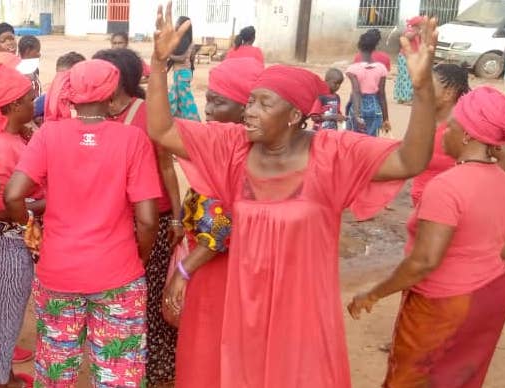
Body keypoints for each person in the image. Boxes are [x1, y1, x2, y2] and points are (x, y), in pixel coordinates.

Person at [148, 5, 437, 387]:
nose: (249, 111)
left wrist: (422, 90)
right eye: (250, 101)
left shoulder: (334, 153)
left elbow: (410, 160)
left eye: (263, 104)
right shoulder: (233, 147)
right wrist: (157, 62)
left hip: (303, 312)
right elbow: (162, 130)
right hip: (246, 309)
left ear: (295, 115)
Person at [349, 87, 505, 387]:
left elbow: (424, 261)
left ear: (467, 135)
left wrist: (374, 293)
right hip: (491, 297)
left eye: (451, 125)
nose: (444, 132)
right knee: (462, 378)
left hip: (444, 303)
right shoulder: (504, 184)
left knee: (412, 379)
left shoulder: (447, 187)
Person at [4, 59, 161, 387]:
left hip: (58, 269)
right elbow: (147, 220)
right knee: (119, 369)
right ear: (114, 93)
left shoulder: (49, 134)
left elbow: (14, 195)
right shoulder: (132, 140)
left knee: (57, 368)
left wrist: (30, 228)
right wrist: (138, 258)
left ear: (72, 94)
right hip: (118, 270)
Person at [163, 57, 263, 388]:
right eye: (208, 99)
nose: (208, 109)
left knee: (209, 349)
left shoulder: (238, 154)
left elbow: (221, 227)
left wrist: (184, 270)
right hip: (232, 271)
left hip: (217, 275)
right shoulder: (240, 149)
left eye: (218, 102)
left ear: (247, 108)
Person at [92, 47, 183, 386]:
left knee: (149, 298)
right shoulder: (93, 113)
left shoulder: (146, 114)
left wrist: (176, 217)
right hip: (110, 222)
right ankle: (118, 366)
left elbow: (166, 167)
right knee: (115, 300)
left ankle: (156, 371)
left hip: (151, 221)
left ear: (120, 79)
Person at [0, 63, 42, 388]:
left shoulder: (12, 137)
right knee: (8, 316)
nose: (35, 102)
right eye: (29, 98)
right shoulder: (8, 148)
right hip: (11, 245)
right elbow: (7, 207)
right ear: (14, 106)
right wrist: (47, 204)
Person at [410, 64, 470, 206]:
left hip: (444, 210)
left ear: (448, 93)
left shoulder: (460, 130)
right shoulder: (424, 121)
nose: (420, 91)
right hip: (421, 206)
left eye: (428, 86)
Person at [346, 31, 389, 136]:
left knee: (353, 139)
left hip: (358, 105)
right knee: (371, 140)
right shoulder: (381, 68)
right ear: (374, 48)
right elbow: (382, 95)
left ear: (359, 47)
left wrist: (357, 115)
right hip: (375, 107)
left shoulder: (352, 69)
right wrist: (386, 119)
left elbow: (356, 92)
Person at [167, 16, 200, 121]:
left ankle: (195, 122)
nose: (175, 25)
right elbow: (192, 59)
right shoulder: (183, 41)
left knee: (186, 99)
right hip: (181, 73)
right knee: (175, 97)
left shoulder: (187, 41)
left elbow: (181, 58)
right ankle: (177, 121)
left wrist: (167, 54)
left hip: (183, 73)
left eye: (177, 22)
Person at [394, 16, 422, 104]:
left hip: (412, 57)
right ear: (417, 24)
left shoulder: (419, 32)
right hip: (405, 57)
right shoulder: (409, 30)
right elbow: (408, 37)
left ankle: (402, 97)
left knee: (406, 77)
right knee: (406, 78)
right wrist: (416, 32)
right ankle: (407, 98)